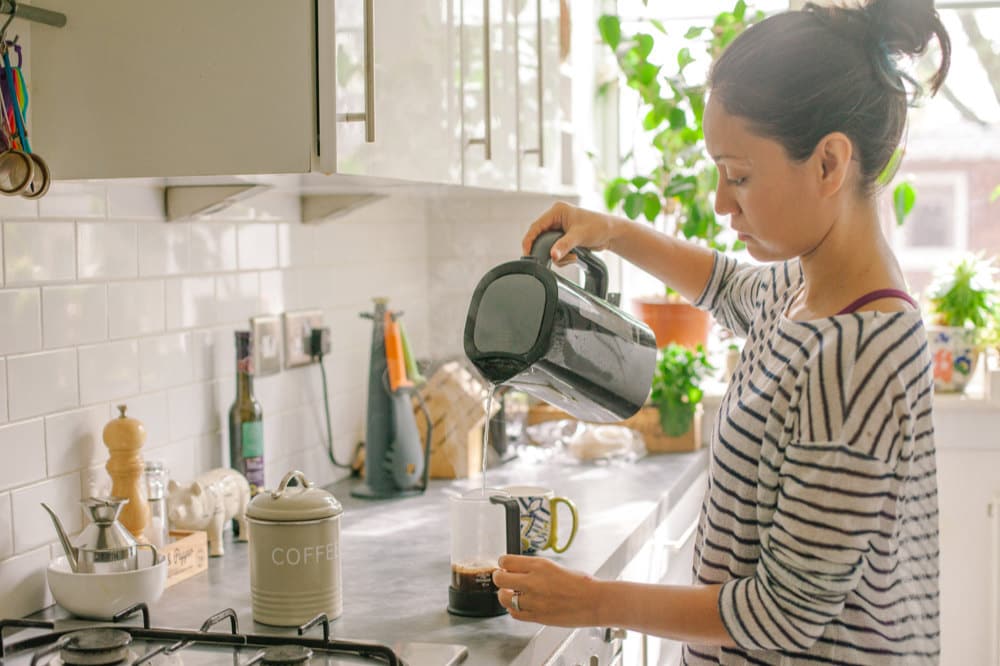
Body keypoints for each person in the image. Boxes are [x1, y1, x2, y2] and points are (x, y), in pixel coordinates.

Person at [491, 0, 952, 664]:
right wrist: (614, 232)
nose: (720, 201)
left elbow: (781, 617)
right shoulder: (810, 288)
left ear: (829, 164)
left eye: (739, 176)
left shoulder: (859, 355)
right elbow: (728, 287)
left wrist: (594, 602)